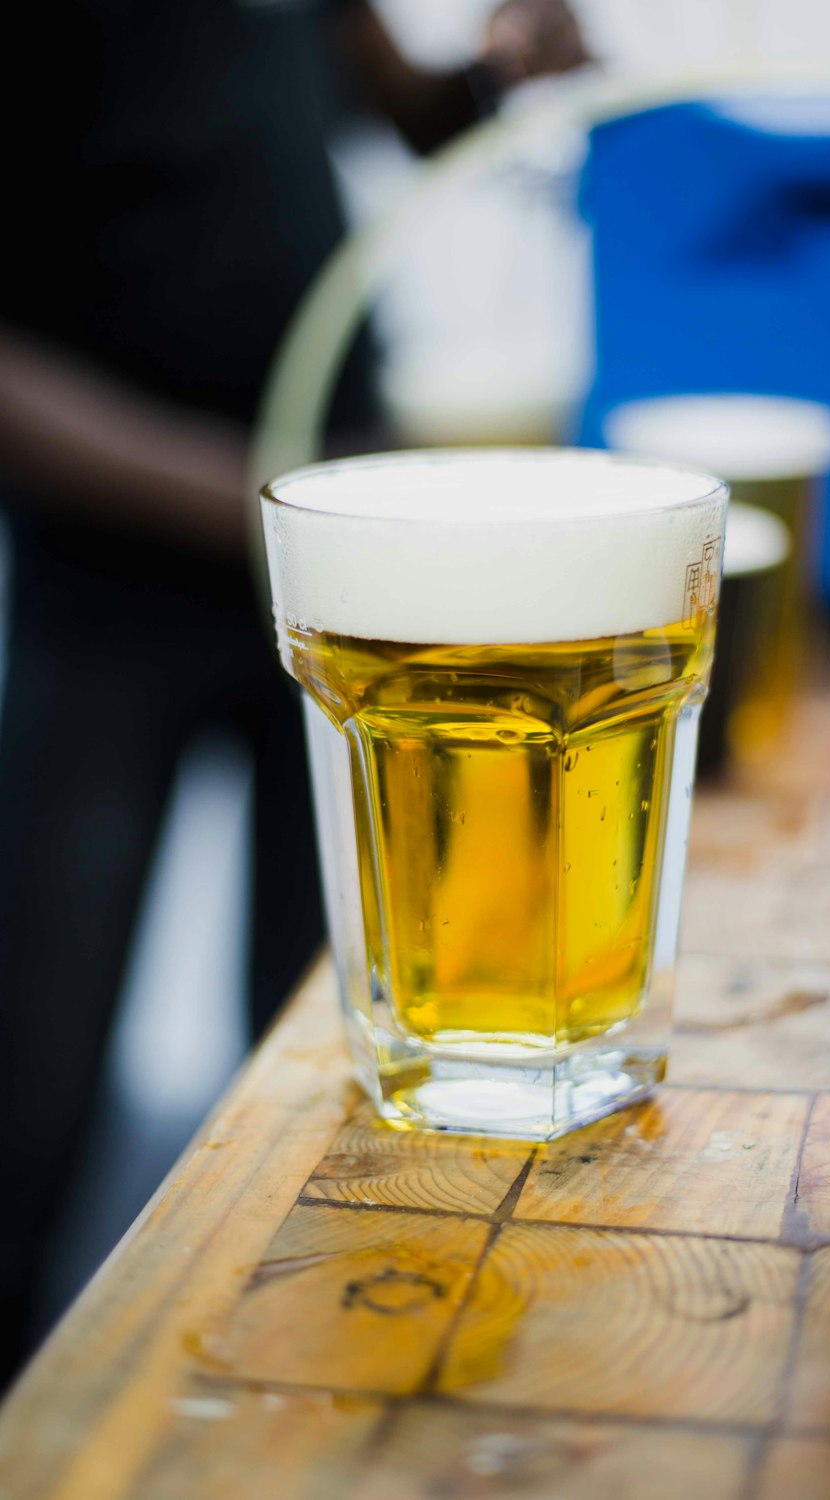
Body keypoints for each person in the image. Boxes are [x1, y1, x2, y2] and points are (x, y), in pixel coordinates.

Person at [0, 0, 587, 1388]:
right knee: (31, 1074)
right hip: (113, 591)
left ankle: (332, 1390)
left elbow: (395, 98)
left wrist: (496, 72)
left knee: (337, 1026)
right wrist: (258, 507)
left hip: (332, 565)